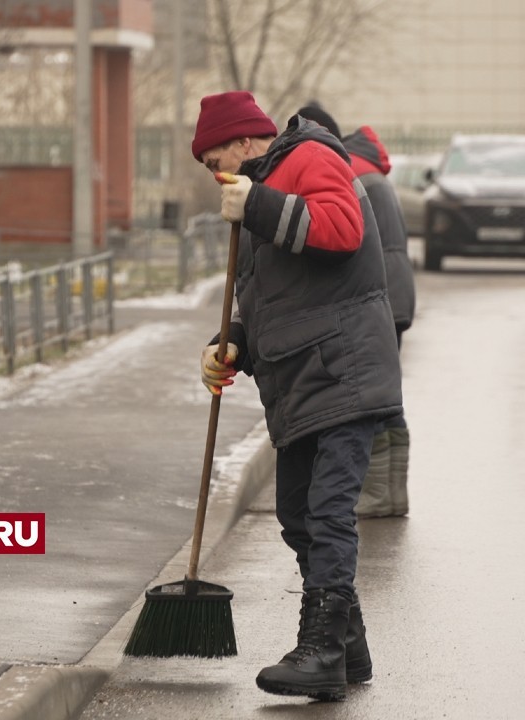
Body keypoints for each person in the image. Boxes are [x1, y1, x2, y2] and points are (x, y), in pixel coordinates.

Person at [193, 91, 403, 701]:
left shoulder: (309, 155)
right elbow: (272, 299)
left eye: (214, 159)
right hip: (301, 379)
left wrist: (257, 203)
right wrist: (229, 342)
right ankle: (349, 648)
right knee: (296, 514)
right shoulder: (258, 197)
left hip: (344, 370)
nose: (214, 174)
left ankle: (321, 649)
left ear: (242, 141)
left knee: (329, 512)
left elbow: (341, 231)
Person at [297, 104, 416, 518]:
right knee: (388, 404)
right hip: (394, 294)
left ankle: (382, 494)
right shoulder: (367, 167)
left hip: (377, 298)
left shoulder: (348, 171)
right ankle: (393, 493)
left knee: (373, 406)